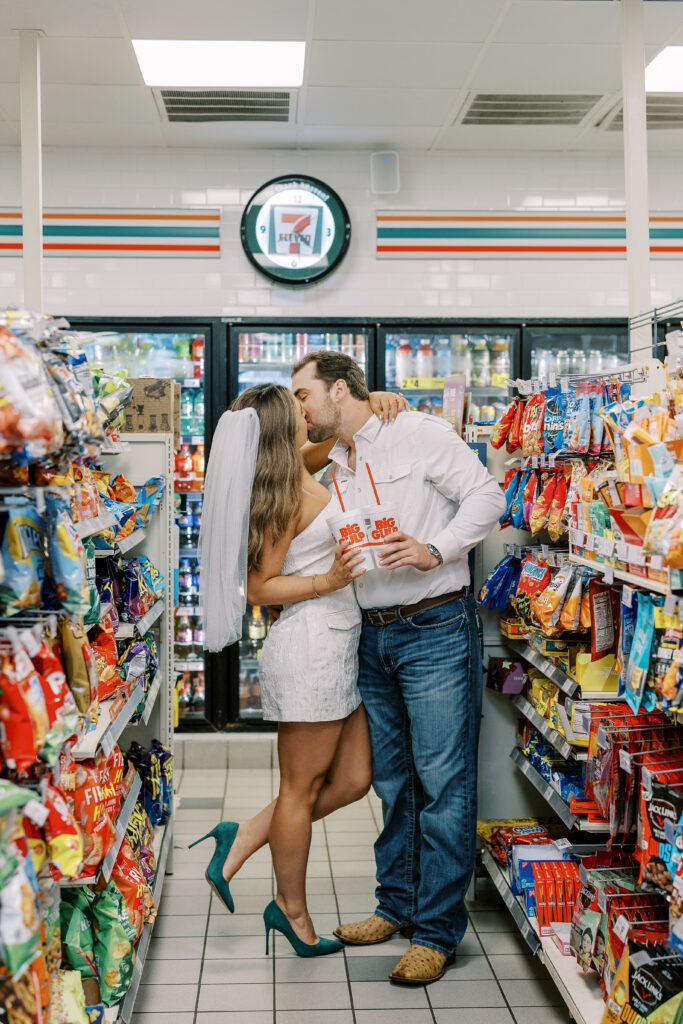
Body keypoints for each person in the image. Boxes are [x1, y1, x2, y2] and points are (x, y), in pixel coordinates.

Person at [291, 350, 506, 984]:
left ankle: (436, 933)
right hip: (373, 636)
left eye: (304, 395)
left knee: (444, 782)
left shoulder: (418, 432)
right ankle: (397, 905)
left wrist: (434, 547)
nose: (300, 407)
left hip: (435, 627)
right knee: (395, 783)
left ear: (337, 390)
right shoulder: (337, 462)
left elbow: (487, 495)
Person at [192, 381, 407, 958]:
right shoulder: (281, 494)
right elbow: (259, 587)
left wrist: (377, 399)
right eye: (296, 407)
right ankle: (291, 911)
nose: (305, 409)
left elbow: (342, 432)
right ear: (282, 427)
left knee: (354, 779)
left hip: (339, 646)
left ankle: (245, 835)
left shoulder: (299, 464)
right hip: (310, 649)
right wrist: (327, 581)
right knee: (299, 789)